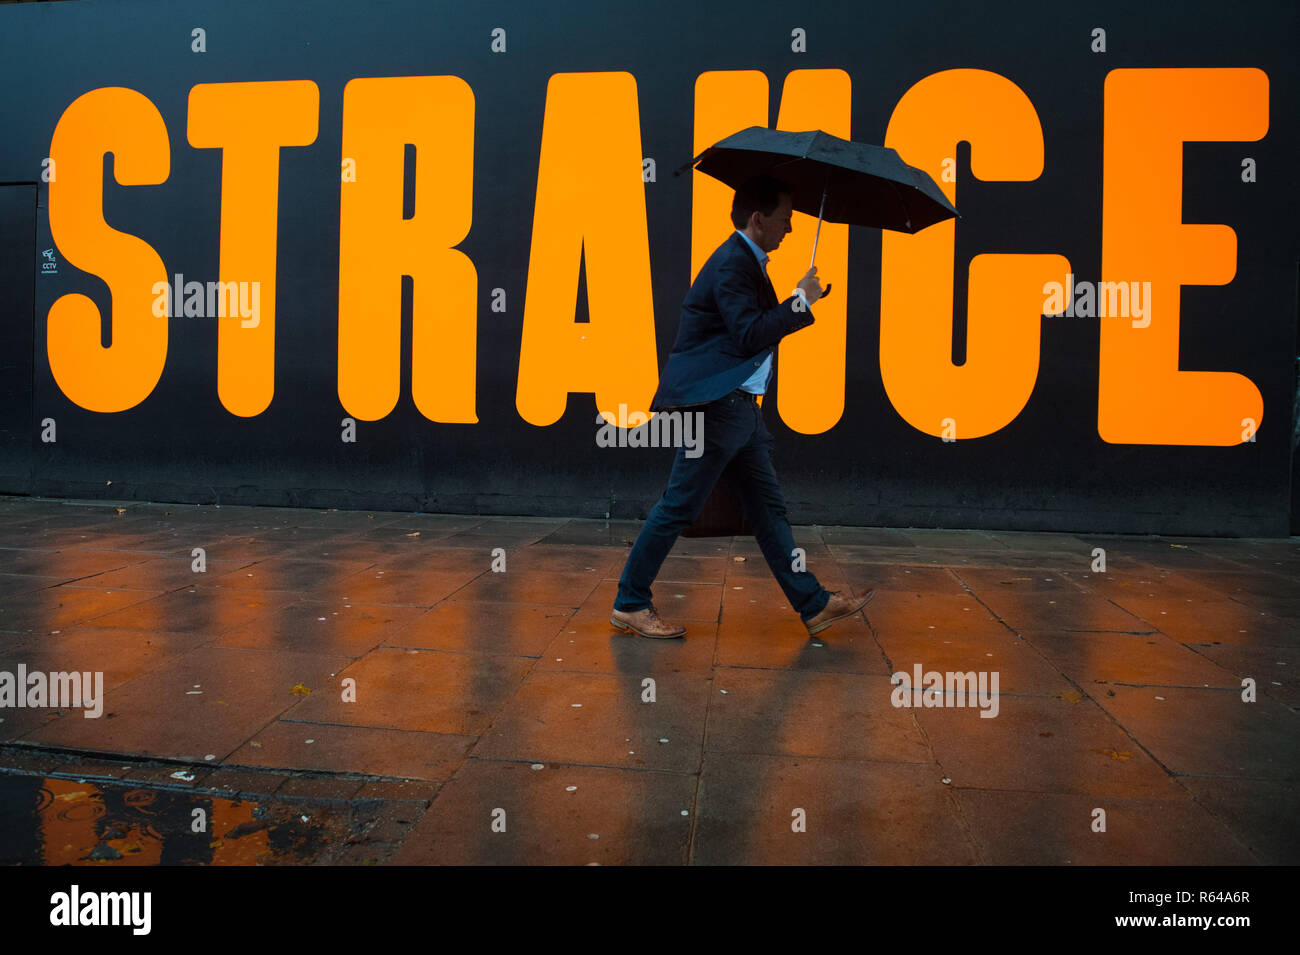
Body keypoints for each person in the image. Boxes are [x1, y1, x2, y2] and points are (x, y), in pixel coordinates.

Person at [610, 174, 874, 639]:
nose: (790, 229)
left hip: (740, 411)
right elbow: (748, 334)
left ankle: (813, 604)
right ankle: (630, 602)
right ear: (758, 218)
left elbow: (748, 333)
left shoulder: (747, 263)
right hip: (715, 408)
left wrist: (795, 299)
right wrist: (800, 302)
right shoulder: (733, 264)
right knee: (678, 506)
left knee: (768, 510)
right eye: (784, 219)